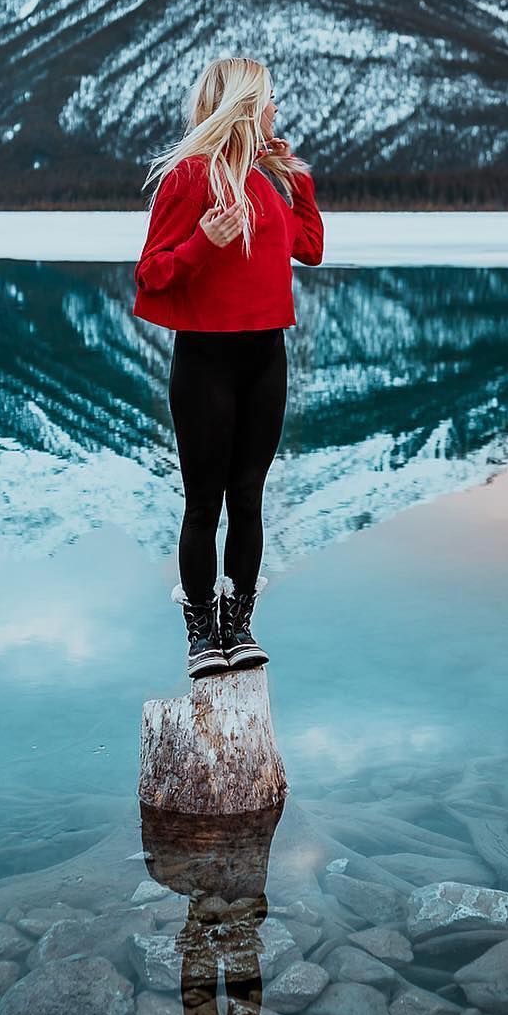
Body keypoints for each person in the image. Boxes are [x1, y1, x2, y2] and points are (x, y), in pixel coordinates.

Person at [132, 56, 325, 679]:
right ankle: (202, 634)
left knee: (248, 498)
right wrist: (203, 244)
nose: (277, 110)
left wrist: (295, 175)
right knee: (202, 502)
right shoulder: (189, 180)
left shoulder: (271, 182)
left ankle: (239, 624)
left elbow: (312, 250)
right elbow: (151, 273)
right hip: (205, 360)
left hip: (266, 356)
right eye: (269, 99)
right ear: (244, 104)